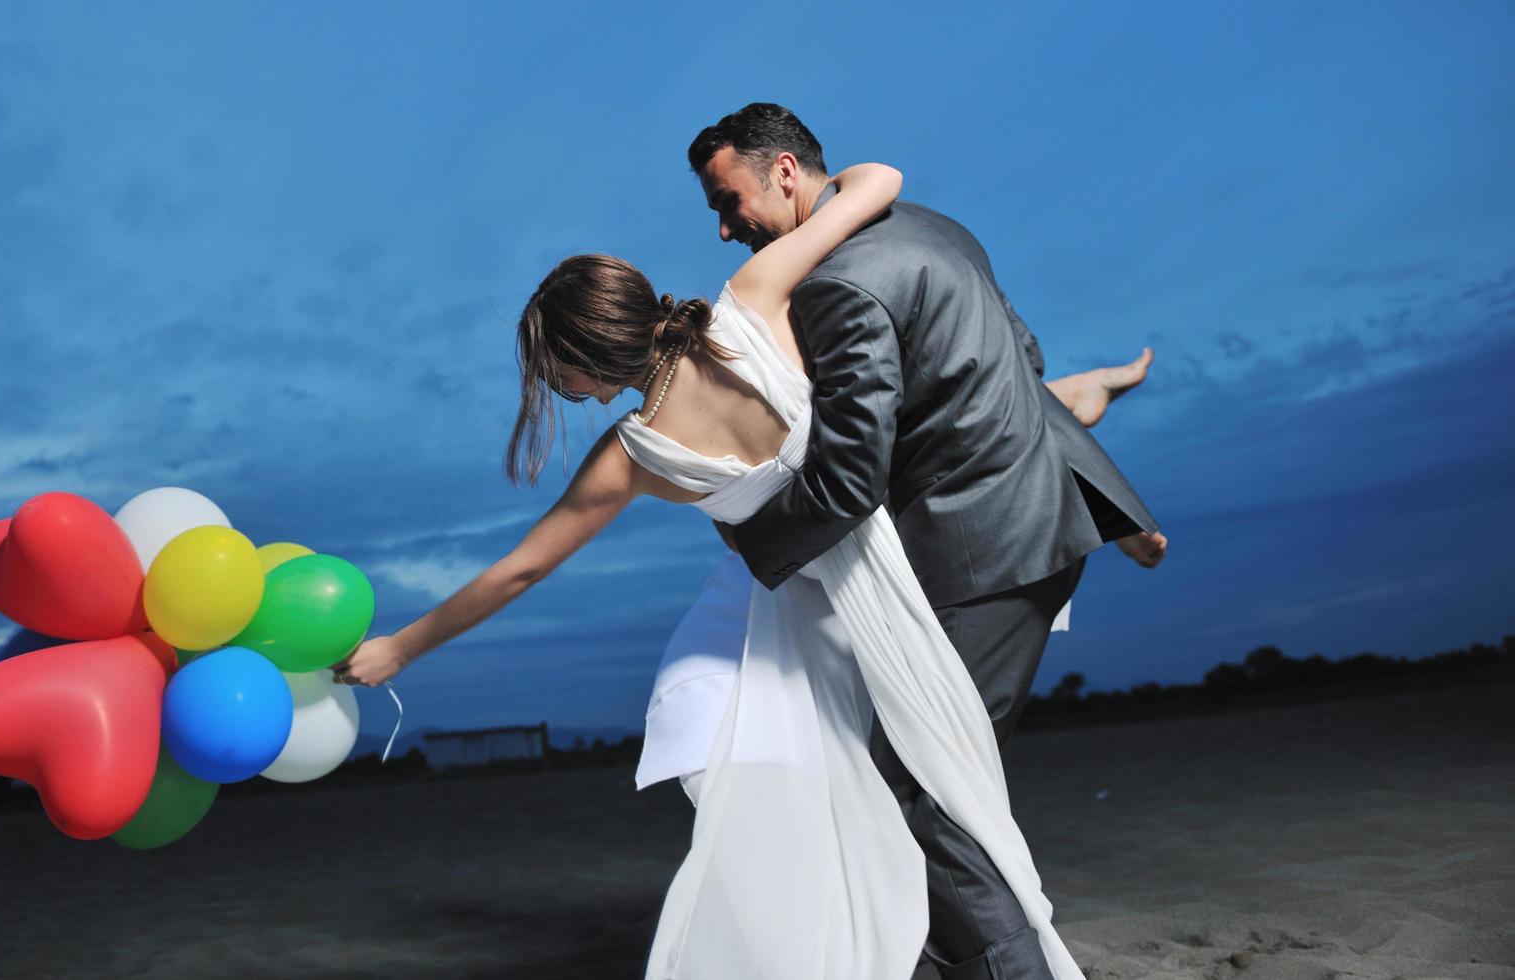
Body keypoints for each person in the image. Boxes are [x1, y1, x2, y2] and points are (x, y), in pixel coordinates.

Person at [341, 159, 1093, 978]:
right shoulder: (754, 296)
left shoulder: (629, 455)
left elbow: (518, 572)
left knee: (842, 787)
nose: (554, 390)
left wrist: (401, 649)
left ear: (583, 355)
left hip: (802, 607)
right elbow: (880, 182)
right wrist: (830, 177)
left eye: (552, 371)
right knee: (930, 785)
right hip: (891, 572)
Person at [639, 348, 1161, 805]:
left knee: (852, 746)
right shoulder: (693, 411)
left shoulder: (779, 359)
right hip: (799, 568)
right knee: (720, 714)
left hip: (847, 559)